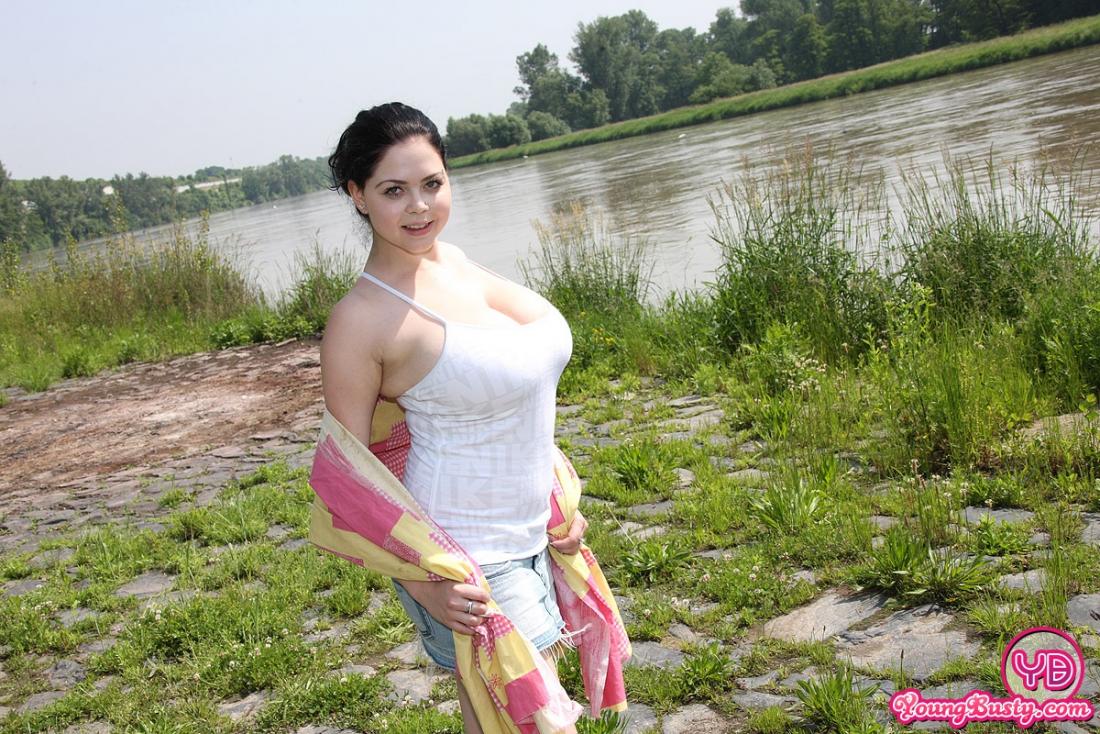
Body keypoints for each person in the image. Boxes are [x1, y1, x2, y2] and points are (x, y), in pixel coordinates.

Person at [320, 102, 590, 733]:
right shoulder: (360, 320)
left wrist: (557, 500)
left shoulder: (460, 263)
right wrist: (424, 586)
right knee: (541, 723)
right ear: (358, 195)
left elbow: (514, 398)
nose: (419, 207)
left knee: (493, 719)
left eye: (432, 183)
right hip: (466, 560)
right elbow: (348, 480)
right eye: (393, 190)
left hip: (533, 532)